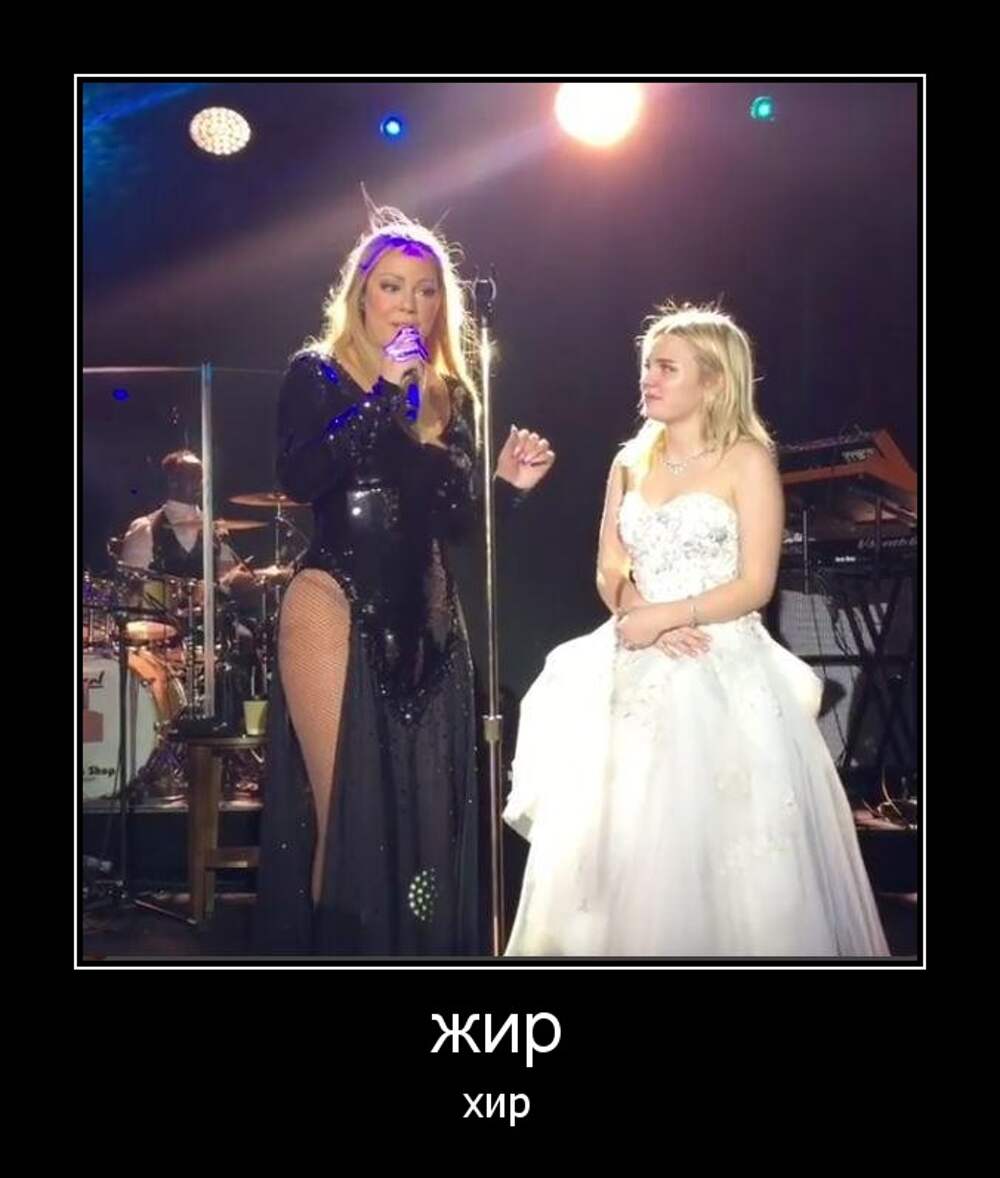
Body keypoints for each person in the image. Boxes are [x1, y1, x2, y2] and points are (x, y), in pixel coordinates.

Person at [503, 303, 889, 957]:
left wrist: (670, 616)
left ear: (712, 381)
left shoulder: (747, 461)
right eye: (647, 365)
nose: (648, 378)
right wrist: (638, 614)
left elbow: (756, 583)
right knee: (620, 847)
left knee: (733, 855)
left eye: (666, 367)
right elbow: (608, 567)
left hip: (721, 654)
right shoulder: (629, 462)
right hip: (636, 648)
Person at [255, 206, 554, 955]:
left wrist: (507, 488)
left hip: (430, 625)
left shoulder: (450, 395)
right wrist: (384, 393)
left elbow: (453, 523)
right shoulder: (317, 374)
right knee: (348, 822)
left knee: (427, 829)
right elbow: (301, 476)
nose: (408, 305)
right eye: (392, 287)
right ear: (361, 294)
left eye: (424, 291)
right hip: (335, 605)